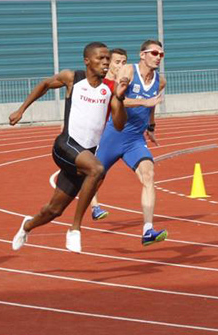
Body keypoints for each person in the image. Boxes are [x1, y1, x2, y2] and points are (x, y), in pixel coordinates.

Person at [9, 42, 128, 253]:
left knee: (53, 210)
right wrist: (21, 110)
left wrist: (119, 97)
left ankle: (27, 225)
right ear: (87, 61)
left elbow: (119, 125)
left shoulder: (110, 90)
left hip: (85, 155)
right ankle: (75, 229)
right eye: (100, 58)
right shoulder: (73, 78)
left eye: (107, 59)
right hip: (65, 146)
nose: (105, 62)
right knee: (98, 170)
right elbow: (45, 84)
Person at [90, 40, 167, 246]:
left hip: (134, 139)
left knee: (148, 175)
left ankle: (148, 230)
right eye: (154, 53)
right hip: (114, 135)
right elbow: (117, 98)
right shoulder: (128, 71)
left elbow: (152, 107)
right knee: (93, 179)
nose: (158, 57)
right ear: (143, 55)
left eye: (161, 54)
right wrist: (143, 101)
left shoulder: (160, 81)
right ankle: (81, 216)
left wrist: (150, 127)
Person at [90, 47, 128, 221]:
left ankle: (91, 204)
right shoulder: (100, 84)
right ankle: (94, 207)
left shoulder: (123, 85)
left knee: (100, 173)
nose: (121, 65)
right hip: (93, 132)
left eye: (124, 62)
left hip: (110, 133)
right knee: (95, 171)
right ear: (109, 63)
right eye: (117, 62)